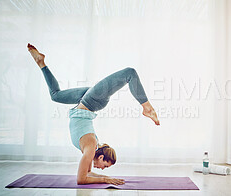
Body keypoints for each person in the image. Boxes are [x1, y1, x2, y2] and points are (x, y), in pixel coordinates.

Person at [27, 43, 160, 185]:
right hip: (93, 101)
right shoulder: (91, 147)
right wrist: (105, 179)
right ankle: (147, 107)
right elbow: (82, 179)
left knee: (56, 95)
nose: (103, 170)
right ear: (101, 158)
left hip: (87, 101)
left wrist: (107, 179)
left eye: (105, 169)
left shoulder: (90, 151)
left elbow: (86, 174)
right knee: (129, 73)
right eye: (105, 166)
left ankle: (41, 62)